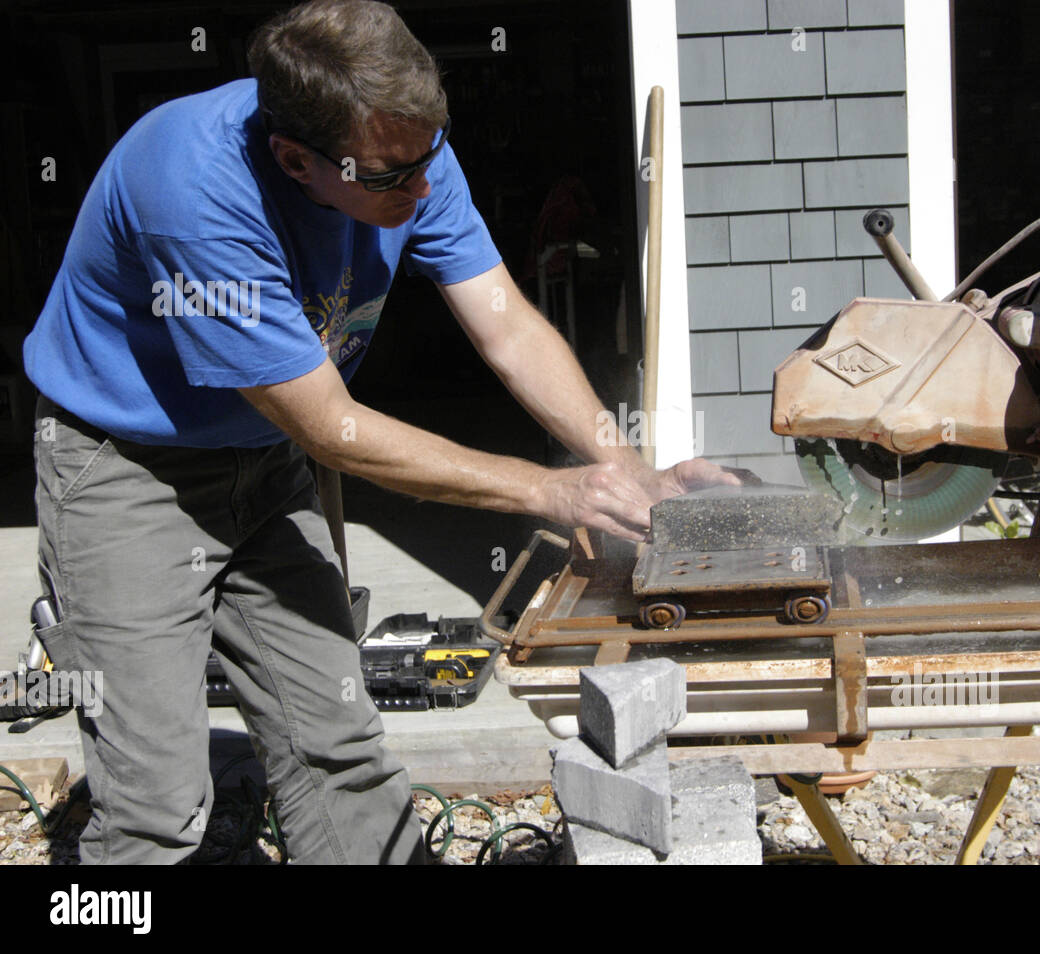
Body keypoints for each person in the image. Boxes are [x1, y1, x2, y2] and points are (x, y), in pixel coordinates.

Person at [22, 0, 739, 864]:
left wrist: (629, 471)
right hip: (127, 472)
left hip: (266, 461)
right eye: (393, 178)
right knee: (156, 803)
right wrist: (550, 489)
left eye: (427, 159)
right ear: (296, 160)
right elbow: (333, 427)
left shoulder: (405, 149)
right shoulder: (192, 192)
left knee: (340, 744)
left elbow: (506, 324)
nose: (423, 190)